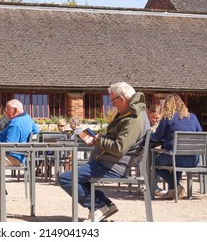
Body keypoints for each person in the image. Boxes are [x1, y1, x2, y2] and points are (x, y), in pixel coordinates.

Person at [58, 82, 150, 222]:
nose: (113, 105)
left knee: (65, 178)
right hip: (109, 162)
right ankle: (104, 205)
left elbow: (119, 148)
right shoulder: (130, 113)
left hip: (112, 165)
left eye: (112, 100)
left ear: (122, 98)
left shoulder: (133, 119)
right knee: (75, 178)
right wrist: (98, 140)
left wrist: (100, 139)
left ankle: (98, 205)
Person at [150, 94, 202, 200]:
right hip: (193, 159)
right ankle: (174, 191)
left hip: (175, 157)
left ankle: (175, 186)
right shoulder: (193, 117)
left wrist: (148, 135)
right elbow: (200, 135)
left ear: (167, 106)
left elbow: (157, 137)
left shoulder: (167, 117)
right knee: (176, 159)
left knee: (155, 162)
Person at [147, 104, 164, 196]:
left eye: (157, 118)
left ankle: (153, 185)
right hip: (146, 151)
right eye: (152, 117)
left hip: (159, 150)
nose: (154, 120)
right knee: (150, 162)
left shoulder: (162, 124)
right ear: (148, 115)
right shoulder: (145, 124)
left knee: (158, 163)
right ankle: (151, 186)